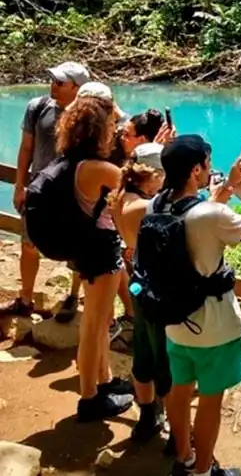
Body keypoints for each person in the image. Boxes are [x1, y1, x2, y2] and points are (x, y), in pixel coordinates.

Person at [157, 135, 241, 476]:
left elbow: (197, 214)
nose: (209, 170)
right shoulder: (211, 214)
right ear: (196, 169)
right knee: (211, 401)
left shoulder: (158, 204)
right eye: (207, 165)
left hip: (174, 320)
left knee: (179, 391)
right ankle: (202, 471)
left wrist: (225, 187)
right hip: (213, 326)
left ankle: (183, 457)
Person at [52, 82, 135, 421]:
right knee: (94, 326)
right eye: (111, 124)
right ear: (100, 129)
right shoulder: (100, 169)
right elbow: (133, 193)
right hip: (99, 252)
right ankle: (89, 399)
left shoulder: (73, 160)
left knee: (98, 324)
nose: (115, 129)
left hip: (86, 249)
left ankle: (103, 383)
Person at [2, 62, 89, 318]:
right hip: (38, 193)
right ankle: (25, 299)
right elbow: (26, 148)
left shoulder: (88, 118)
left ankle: (73, 297)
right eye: (52, 80)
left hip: (74, 195)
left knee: (77, 250)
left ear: (77, 87)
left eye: (60, 82)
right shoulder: (37, 107)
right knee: (28, 244)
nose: (53, 85)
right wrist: (20, 185)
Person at [108, 142, 173, 444]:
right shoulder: (144, 206)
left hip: (138, 283)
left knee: (143, 355)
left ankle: (148, 417)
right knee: (165, 362)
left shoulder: (123, 196)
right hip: (156, 287)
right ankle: (177, 430)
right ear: (154, 175)